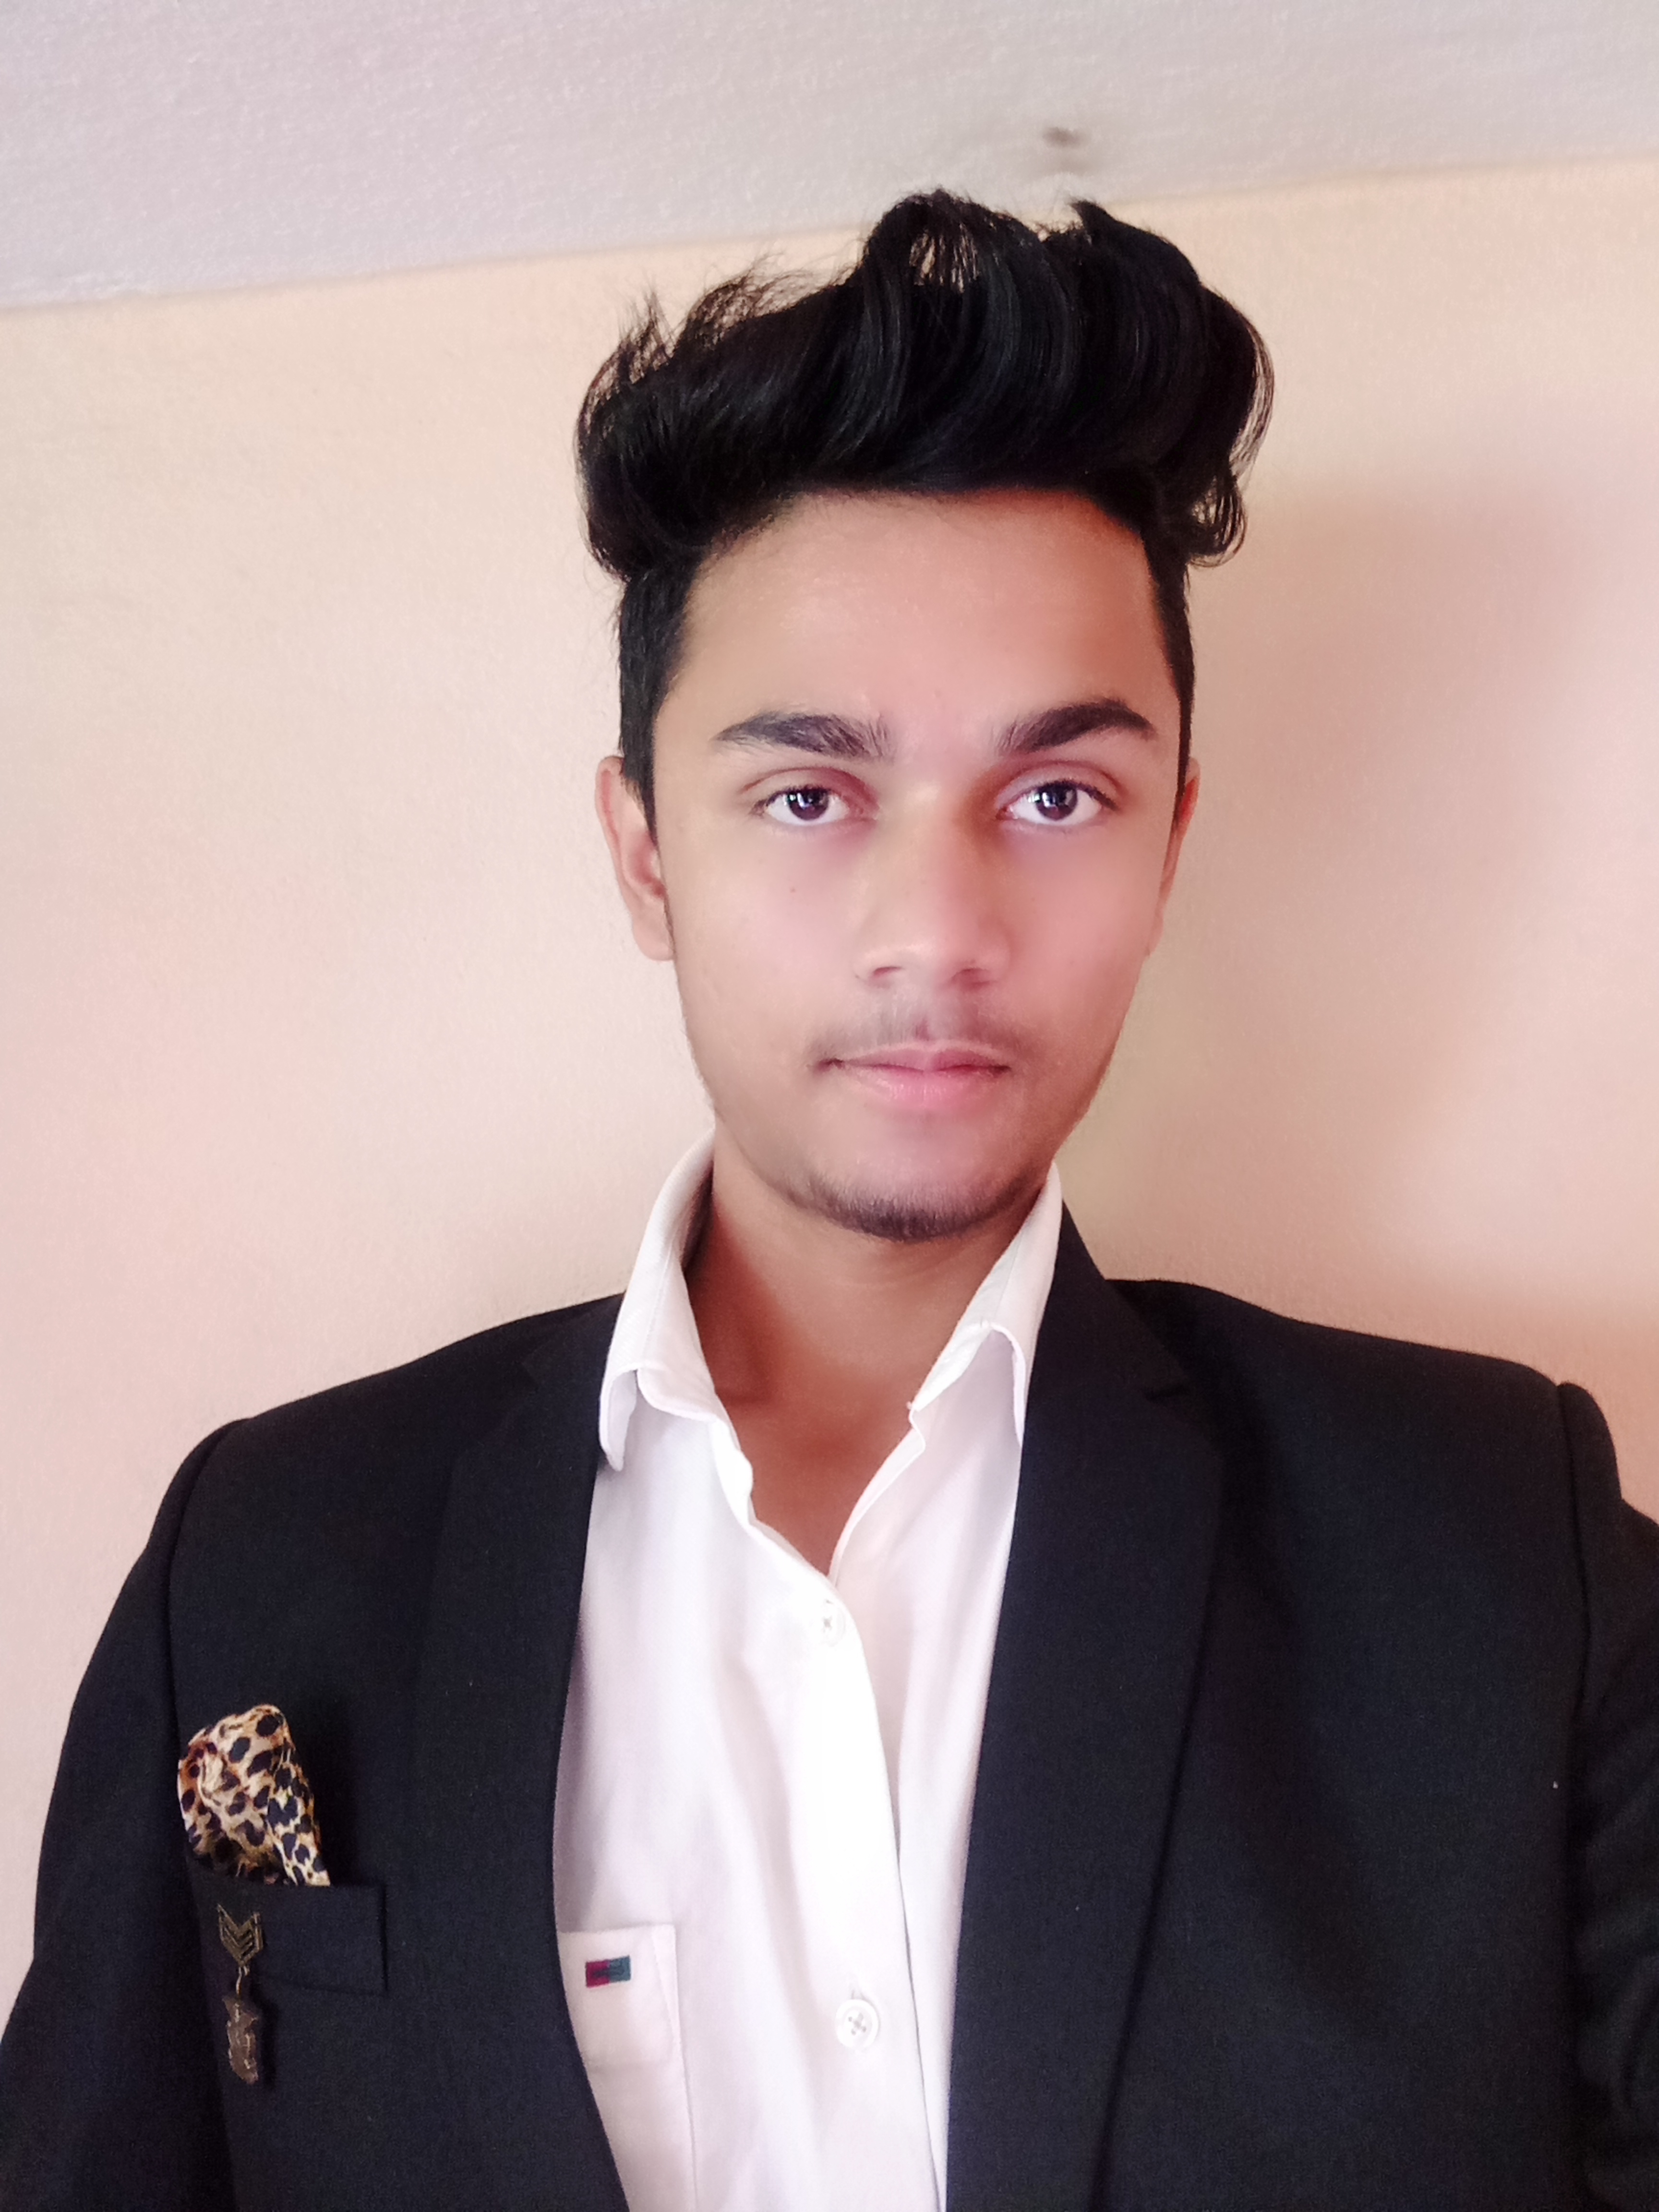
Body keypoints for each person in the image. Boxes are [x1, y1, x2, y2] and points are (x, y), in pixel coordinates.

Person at [1, 191, 1655, 2212]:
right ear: (646, 855)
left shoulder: (1500, 1545)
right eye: (808, 794)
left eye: (1057, 795)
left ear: (1169, 845)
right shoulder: (271, 1555)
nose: (936, 930)